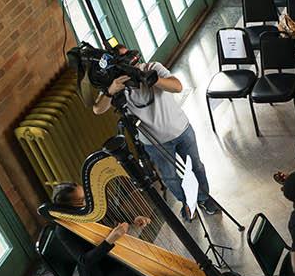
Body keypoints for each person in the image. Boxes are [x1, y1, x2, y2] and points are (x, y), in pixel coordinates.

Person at [92, 54, 217, 217]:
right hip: (154, 143)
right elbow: (97, 109)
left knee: (196, 167)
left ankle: (203, 198)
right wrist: (110, 91)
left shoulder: (153, 68)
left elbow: (177, 87)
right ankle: (187, 202)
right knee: (170, 177)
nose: (131, 66)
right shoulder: (116, 85)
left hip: (181, 130)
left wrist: (151, 79)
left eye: (132, 62)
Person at [41, 184, 150, 276]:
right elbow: (85, 261)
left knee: (146, 261)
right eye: (82, 200)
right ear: (68, 208)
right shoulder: (63, 230)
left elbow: (114, 214)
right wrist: (110, 240)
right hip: (96, 272)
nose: (88, 200)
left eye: (86, 195)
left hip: (109, 257)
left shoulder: (90, 211)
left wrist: (133, 219)